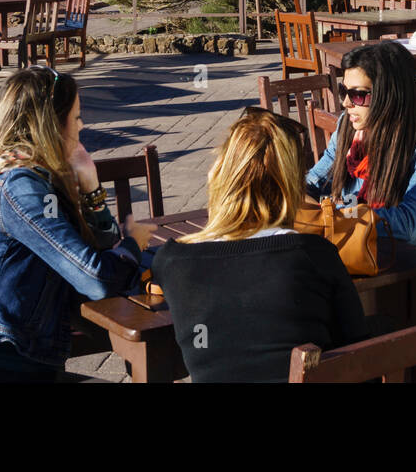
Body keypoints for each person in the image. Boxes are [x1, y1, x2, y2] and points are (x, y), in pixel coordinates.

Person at [0, 66, 152, 381]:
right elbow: (95, 277)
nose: (81, 126)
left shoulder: (27, 174)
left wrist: (91, 188)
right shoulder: (19, 187)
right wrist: (133, 244)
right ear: (52, 125)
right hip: (3, 369)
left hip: (18, 360)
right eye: (76, 117)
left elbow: (95, 250)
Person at [151, 108, 368, 382]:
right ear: (292, 183)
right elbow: (356, 351)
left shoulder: (172, 261)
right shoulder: (315, 255)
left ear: (219, 175)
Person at [306, 40, 416, 251]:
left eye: (357, 94)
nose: (346, 103)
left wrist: (336, 213)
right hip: (356, 250)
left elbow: (408, 224)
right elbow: (314, 181)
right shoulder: (348, 127)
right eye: (343, 91)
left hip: (411, 265)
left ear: (389, 95)